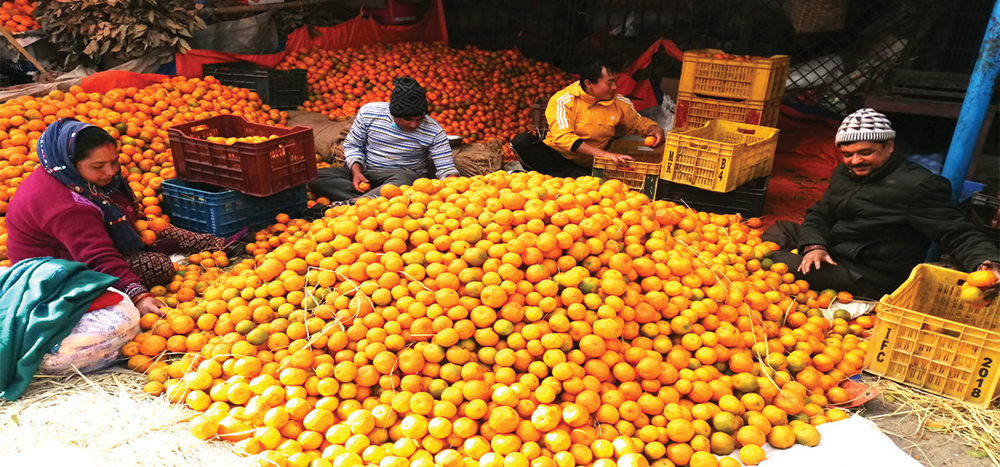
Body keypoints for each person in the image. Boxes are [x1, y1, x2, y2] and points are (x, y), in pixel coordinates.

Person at [5, 118, 243, 316]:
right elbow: (96, 257)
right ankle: (153, 253)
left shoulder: (71, 177)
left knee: (152, 226)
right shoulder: (68, 206)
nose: (110, 172)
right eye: (98, 166)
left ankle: (219, 245)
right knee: (158, 266)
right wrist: (139, 296)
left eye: (114, 162)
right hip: (58, 271)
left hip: (89, 240)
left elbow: (131, 217)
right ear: (70, 163)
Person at [762, 108, 1000, 299]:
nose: (855, 161)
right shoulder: (843, 174)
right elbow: (820, 215)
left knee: (774, 262)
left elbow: (956, 232)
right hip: (835, 250)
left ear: (889, 146)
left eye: (866, 152)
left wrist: (986, 263)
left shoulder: (918, 186)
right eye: (847, 154)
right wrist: (815, 246)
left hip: (869, 273)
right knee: (780, 230)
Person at [308, 77, 458, 203]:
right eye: (408, 119)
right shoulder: (370, 113)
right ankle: (374, 199)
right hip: (368, 173)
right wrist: (357, 172)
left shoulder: (434, 131)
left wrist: (453, 188)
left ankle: (355, 203)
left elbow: (445, 168)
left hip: (402, 178)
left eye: (419, 119)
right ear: (393, 113)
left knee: (408, 177)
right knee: (315, 176)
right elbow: (353, 145)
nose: (414, 124)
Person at [510, 62, 666, 178]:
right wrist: (604, 154)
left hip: (585, 163)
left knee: (580, 181)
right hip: (555, 154)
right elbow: (563, 138)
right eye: (609, 83)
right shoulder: (564, 100)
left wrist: (653, 129)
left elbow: (638, 124)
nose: (614, 87)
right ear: (589, 84)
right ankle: (553, 174)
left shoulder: (620, 104)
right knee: (522, 141)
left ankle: (553, 176)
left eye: (616, 82)